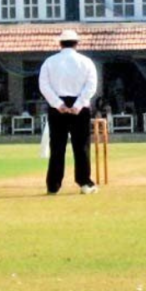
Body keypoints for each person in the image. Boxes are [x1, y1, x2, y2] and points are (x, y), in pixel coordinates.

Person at [38, 28, 99, 195]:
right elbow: (91, 86)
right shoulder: (86, 62)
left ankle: (53, 185)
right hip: (79, 106)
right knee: (81, 146)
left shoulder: (50, 62)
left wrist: (58, 104)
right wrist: (78, 105)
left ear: (60, 43)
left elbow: (44, 86)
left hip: (57, 106)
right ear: (77, 43)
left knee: (57, 146)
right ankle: (84, 182)